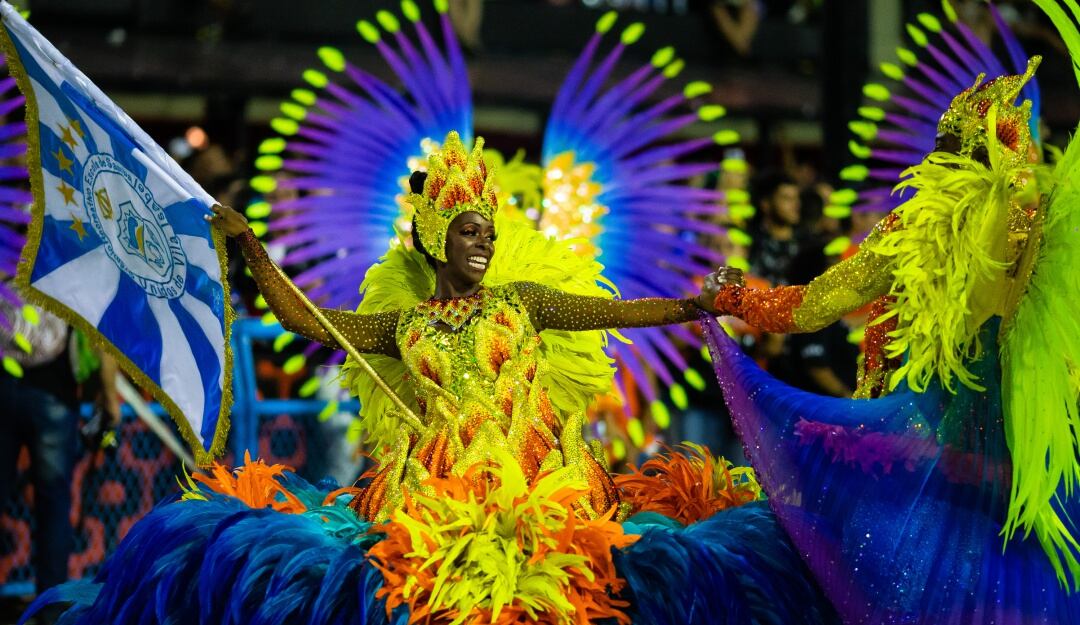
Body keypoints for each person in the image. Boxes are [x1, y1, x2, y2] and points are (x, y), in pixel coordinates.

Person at [703, 57, 1080, 623]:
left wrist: (730, 300)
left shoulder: (920, 223)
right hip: (1040, 444)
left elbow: (811, 307)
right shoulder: (1054, 224)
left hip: (941, 442)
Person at [208, 132, 733, 521]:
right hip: (434, 491)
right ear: (439, 241)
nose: (484, 243)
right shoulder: (404, 325)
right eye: (470, 232)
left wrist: (694, 304)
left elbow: (617, 314)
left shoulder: (521, 304)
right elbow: (301, 317)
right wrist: (250, 244)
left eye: (489, 233)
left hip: (537, 486)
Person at [0, 304, 119, 624]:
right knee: (53, 508)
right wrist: (108, 397)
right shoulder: (64, 256)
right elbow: (99, 328)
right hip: (54, 390)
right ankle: (49, 610)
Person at [748, 171, 801, 285]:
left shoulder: (805, 245)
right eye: (787, 198)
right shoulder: (751, 244)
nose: (796, 204)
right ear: (765, 204)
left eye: (796, 198)